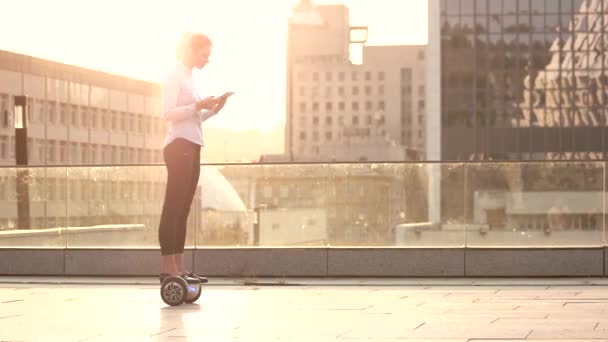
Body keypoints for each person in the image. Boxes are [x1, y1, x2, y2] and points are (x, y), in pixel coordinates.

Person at [158, 32, 229, 283]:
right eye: (204, 54)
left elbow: (193, 117)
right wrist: (198, 105)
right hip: (178, 146)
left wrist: (212, 110)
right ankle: (168, 268)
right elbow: (168, 113)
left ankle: (179, 266)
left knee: (184, 208)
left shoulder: (190, 78)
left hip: (194, 144)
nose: (207, 60)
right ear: (191, 49)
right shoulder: (173, 74)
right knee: (173, 207)